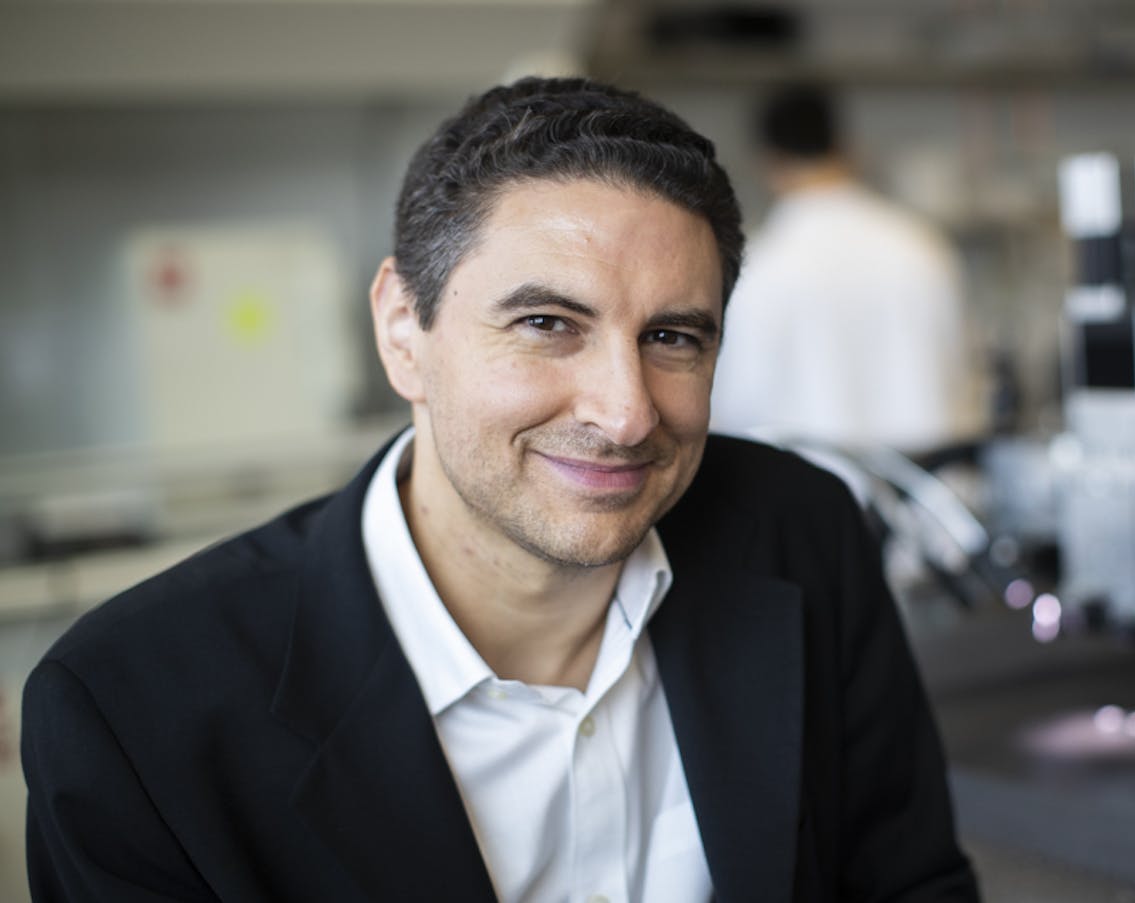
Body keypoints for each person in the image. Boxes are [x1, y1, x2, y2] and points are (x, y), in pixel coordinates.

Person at [21, 77, 980, 902]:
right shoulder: (133, 709)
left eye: (672, 337)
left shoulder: (802, 534)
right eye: (548, 323)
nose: (626, 412)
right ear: (405, 328)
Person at [712, 83, 983, 456]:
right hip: (928, 486)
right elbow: (964, 375)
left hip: (812, 488)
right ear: (845, 147)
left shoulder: (762, 264)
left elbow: (738, 406)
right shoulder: (921, 245)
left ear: (769, 162)